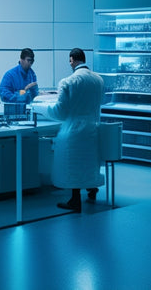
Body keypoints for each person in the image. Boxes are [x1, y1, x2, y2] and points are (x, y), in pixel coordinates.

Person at [40, 47, 104, 213]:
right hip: (93, 128)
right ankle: (92, 191)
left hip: (74, 129)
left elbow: (61, 111)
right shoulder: (98, 80)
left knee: (73, 164)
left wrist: (42, 108)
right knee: (89, 163)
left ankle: (75, 201)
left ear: (72, 60)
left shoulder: (67, 82)